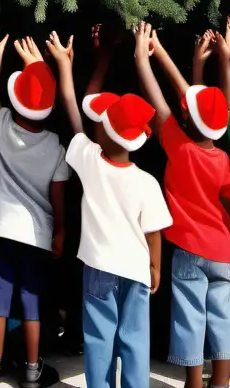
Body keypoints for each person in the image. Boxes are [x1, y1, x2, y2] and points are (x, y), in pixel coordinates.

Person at [49, 29, 171, 388]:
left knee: (98, 337)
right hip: (136, 270)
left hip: (99, 268)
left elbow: (75, 112)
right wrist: (155, 267)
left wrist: (64, 67)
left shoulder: (90, 160)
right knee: (135, 338)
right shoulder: (147, 181)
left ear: (104, 133)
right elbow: (154, 231)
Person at [133, 21, 230, 388]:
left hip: (187, 252)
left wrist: (145, 56)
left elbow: (157, 99)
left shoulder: (178, 148)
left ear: (186, 119)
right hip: (223, 252)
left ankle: (194, 383)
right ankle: (222, 382)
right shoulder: (224, 160)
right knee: (223, 316)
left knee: (190, 318)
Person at [0, 32, 70, 388]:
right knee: (32, 298)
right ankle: (32, 368)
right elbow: (58, 198)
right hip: (36, 233)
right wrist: (60, 232)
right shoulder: (56, 148)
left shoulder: (3, 125)